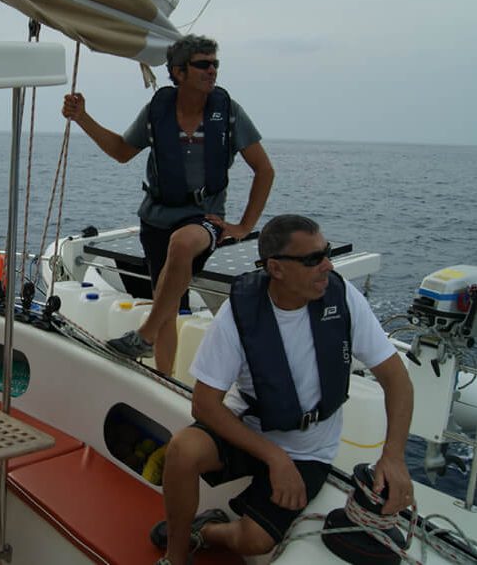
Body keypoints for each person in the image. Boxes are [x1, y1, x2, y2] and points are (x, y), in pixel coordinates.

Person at [150, 214, 414, 565]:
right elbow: (204, 404)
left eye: (327, 252)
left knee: (254, 541)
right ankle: (176, 555)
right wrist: (273, 456)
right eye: (312, 259)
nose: (327, 266)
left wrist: (393, 456)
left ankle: (208, 532)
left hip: (309, 451)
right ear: (275, 268)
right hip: (253, 430)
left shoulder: (344, 299)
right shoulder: (240, 312)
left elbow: (397, 379)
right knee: (182, 450)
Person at [62, 35, 274, 374]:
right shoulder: (157, 111)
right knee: (168, 304)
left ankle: (143, 336)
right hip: (156, 218)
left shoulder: (229, 113)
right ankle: (163, 379)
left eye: (215, 63)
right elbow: (121, 151)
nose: (212, 70)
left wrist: (244, 226)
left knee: (183, 243)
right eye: (203, 64)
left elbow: (264, 170)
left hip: (203, 217)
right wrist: (82, 117)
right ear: (179, 72)